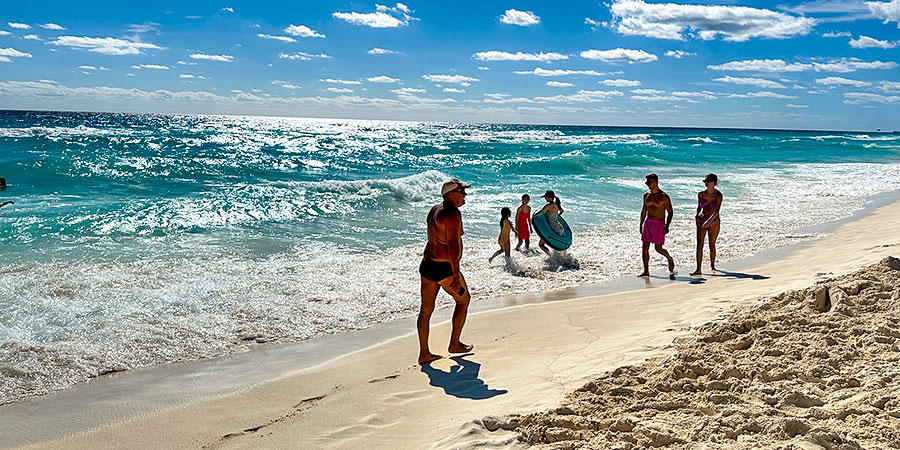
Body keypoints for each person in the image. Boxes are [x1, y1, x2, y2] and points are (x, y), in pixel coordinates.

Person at [417, 178, 474, 364]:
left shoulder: (434, 209)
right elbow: (452, 247)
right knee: (463, 300)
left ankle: (424, 353)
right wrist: (456, 276)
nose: (464, 196)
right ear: (451, 195)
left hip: (427, 264)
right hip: (444, 268)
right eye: (461, 192)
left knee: (425, 310)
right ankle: (454, 344)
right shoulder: (453, 214)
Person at [638, 174, 675, 279]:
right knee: (645, 247)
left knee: (658, 248)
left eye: (649, 183)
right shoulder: (646, 195)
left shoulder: (664, 196)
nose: (648, 185)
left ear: (656, 182)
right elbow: (644, 210)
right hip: (648, 223)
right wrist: (641, 224)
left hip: (659, 224)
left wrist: (667, 225)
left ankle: (669, 258)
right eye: (647, 183)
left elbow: (670, 212)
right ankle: (646, 271)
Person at [691, 174, 723, 276]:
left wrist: (708, 222)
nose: (706, 183)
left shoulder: (718, 195)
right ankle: (698, 269)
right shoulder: (701, 194)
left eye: (708, 181)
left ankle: (712, 265)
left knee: (711, 244)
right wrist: (697, 217)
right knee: (699, 244)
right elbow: (699, 207)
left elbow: (717, 211)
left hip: (714, 221)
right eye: (705, 181)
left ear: (714, 182)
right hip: (702, 220)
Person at [533, 190, 564, 255]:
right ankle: (560, 258)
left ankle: (551, 256)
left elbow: (540, 213)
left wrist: (532, 219)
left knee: (541, 245)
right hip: (559, 226)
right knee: (557, 246)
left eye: (546, 197)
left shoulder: (548, 206)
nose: (545, 199)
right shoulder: (557, 205)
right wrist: (556, 217)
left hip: (552, 227)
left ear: (550, 197)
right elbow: (561, 211)